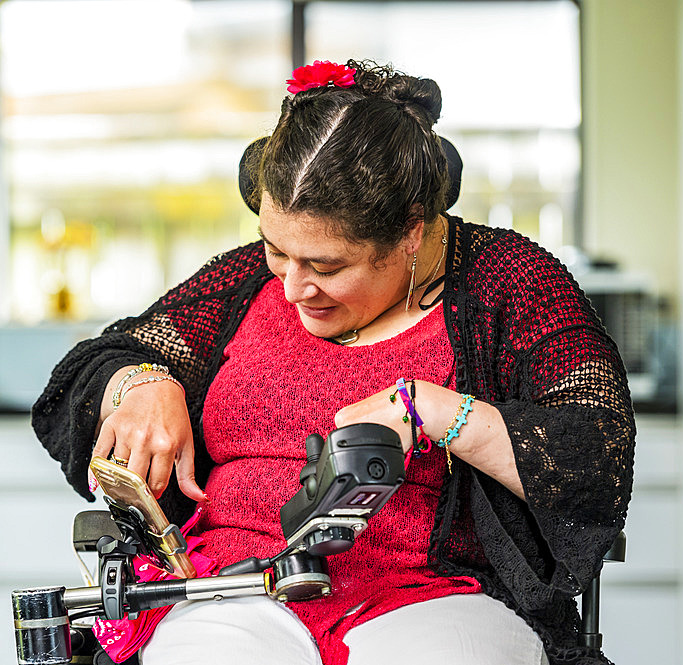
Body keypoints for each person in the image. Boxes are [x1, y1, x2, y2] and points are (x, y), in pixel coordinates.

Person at [32, 59, 634, 665]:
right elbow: (109, 357)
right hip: (236, 587)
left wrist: (431, 408)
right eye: (276, 251)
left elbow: (593, 456)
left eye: (327, 267)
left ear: (411, 234)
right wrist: (140, 383)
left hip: (432, 594)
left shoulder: (510, 283)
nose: (293, 287)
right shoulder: (243, 281)